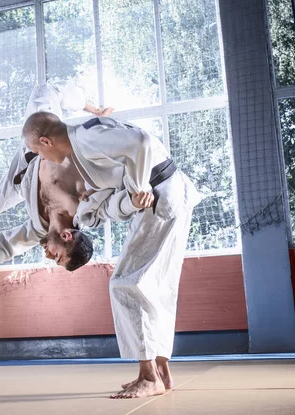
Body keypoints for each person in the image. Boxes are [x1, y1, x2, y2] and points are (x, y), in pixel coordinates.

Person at [22, 111, 202, 399]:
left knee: (125, 283)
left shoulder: (83, 136)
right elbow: (112, 204)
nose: (39, 158)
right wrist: (128, 196)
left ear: (46, 141)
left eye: (36, 151)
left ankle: (149, 376)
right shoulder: (83, 148)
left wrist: (139, 186)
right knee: (155, 288)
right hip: (165, 194)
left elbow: (142, 141)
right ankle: (160, 371)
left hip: (159, 191)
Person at [0, 84, 113, 294]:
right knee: (45, 92)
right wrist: (97, 114)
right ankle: (92, 107)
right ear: (66, 237)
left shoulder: (41, 228)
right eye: (57, 256)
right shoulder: (84, 205)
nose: (48, 256)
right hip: (44, 145)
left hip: (23, 179)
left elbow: (11, 243)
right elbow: (108, 177)